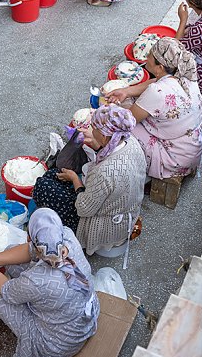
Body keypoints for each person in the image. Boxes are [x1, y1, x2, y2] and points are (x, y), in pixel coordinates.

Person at [0, 208, 99, 357]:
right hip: (80, 318)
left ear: (29, 237)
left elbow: (5, 290)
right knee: (10, 255)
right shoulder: (65, 237)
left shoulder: (37, 280)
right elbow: (30, 250)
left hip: (57, 343)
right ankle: (16, 292)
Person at [33, 106, 146, 255]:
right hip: (124, 209)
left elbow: (84, 208)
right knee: (53, 175)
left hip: (105, 225)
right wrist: (96, 144)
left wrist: (74, 179)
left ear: (105, 137)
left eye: (94, 128)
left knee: (43, 186)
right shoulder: (131, 143)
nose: (92, 131)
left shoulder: (105, 172)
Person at [107, 37, 202, 179]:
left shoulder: (156, 92)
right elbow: (158, 79)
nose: (147, 57)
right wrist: (127, 91)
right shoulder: (185, 71)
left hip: (179, 159)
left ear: (160, 67)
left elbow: (127, 120)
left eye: (151, 55)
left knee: (123, 130)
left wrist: (109, 109)